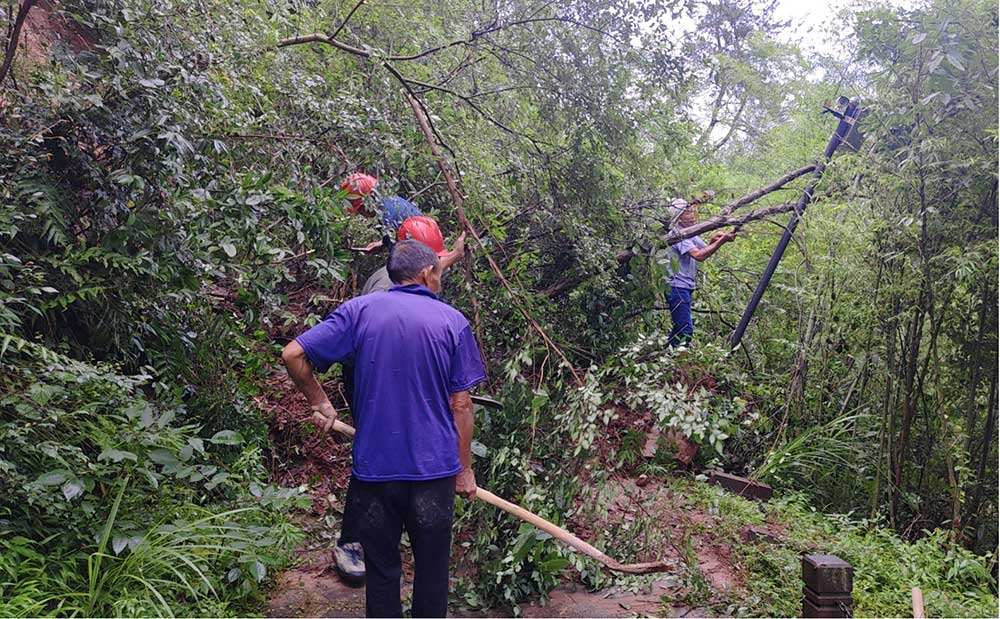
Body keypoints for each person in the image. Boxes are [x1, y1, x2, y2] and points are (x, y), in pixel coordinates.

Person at [282, 240, 486, 617]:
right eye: (438, 271)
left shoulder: (359, 311)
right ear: (426, 274)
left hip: (375, 473)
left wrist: (319, 401)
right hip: (434, 472)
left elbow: (293, 354)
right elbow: (461, 404)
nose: (440, 278)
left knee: (382, 573)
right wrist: (466, 470)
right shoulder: (452, 322)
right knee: (431, 573)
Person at [334, 215, 466, 585]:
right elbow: (383, 340)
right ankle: (352, 542)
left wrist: (453, 254)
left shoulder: (404, 270)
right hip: (374, 375)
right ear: (424, 271)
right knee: (376, 456)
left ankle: (386, 530)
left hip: (392, 371)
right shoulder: (379, 295)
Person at [665, 198, 736, 348]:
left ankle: (666, 356)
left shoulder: (689, 234)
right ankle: (677, 360)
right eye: (687, 213)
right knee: (686, 329)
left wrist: (715, 239)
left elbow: (704, 249)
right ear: (678, 218)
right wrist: (722, 241)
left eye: (692, 212)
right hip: (676, 286)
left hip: (683, 286)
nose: (692, 215)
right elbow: (699, 255)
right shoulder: (677, 235)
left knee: (680, 326)